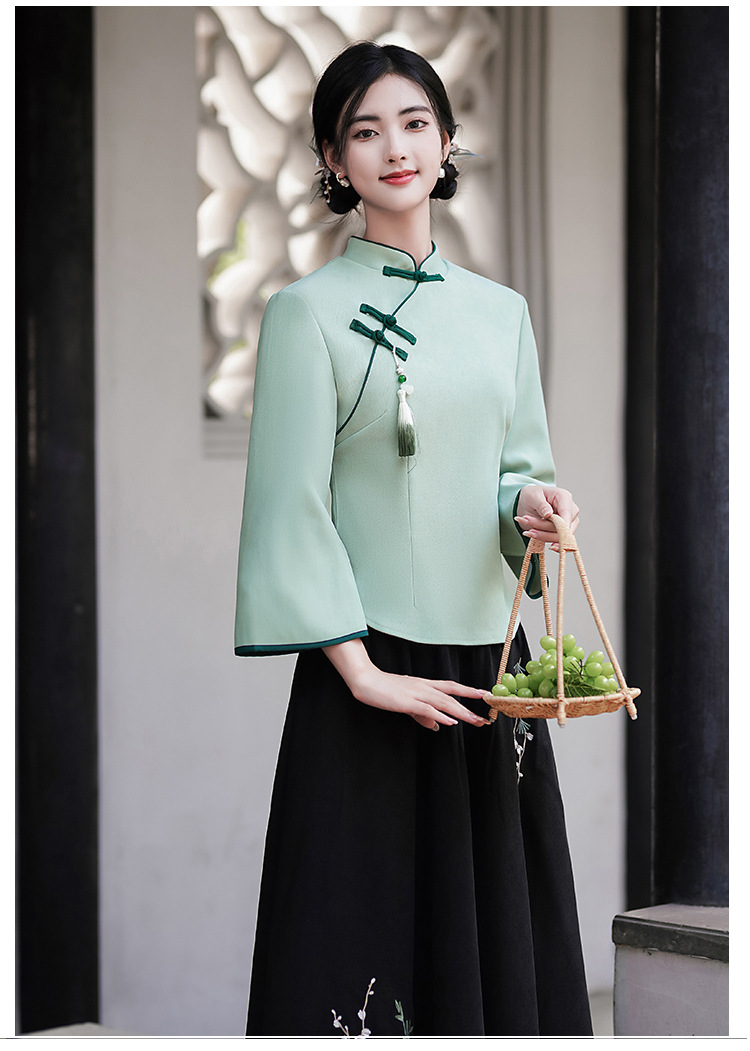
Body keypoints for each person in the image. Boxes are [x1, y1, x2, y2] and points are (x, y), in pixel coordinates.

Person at [234, 41, 592, 1038]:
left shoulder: (502, 314)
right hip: (367, 676)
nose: (394, 147)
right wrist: (362, 675)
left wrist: (534, 505)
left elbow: (514, 471)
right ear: (332, 158)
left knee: (495, 957)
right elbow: (288, 505)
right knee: (362, 954)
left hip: (487, 678)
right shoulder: (303, 314)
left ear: (446, 141)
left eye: (414, 123)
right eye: (365, 130)